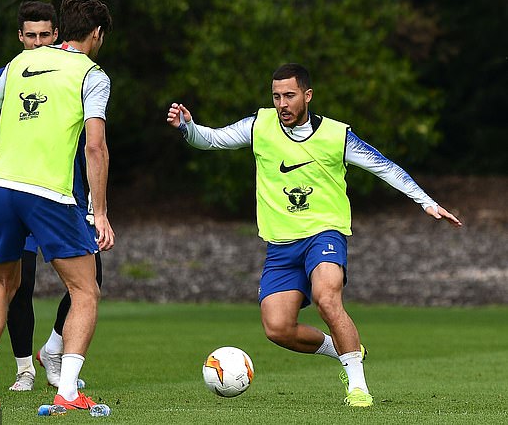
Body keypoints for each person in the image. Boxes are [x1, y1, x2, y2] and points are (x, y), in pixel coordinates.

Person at [166, 63, 462, 408]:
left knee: (326, 298)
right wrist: (187, 127)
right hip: (280, 245)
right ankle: (344, 349)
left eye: (289, 95)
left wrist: (426, 202)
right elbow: (212, 139)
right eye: (276, 96)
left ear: (307, 95)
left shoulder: (337, 136)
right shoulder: (259, 126)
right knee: (277, 328)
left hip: (325, 234)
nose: (282, 104)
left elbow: (383, 166)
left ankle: (358, 387)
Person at [0, 0, 114, 412]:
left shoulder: (18, 64)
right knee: (85, 289)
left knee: (1, 284)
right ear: (97, 33)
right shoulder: (93, 74)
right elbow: (95, 147)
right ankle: (68, 392)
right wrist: (100, 212)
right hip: (48, 193)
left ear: (59, 30)